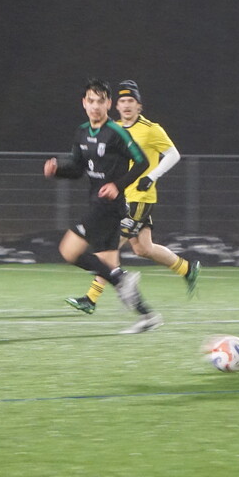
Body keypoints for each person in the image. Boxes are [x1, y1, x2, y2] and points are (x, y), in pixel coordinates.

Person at [64, 80, 199, 315]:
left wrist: (152, 176)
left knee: (110, 247)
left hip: (140, 199)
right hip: (120, 199)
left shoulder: (151, 129)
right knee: (143, 248)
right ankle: (186, 269)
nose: (127, 105)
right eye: (123, 101)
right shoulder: (113, 129)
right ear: (115, 105)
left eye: (131, 101)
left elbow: (173, 154)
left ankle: (91, 298)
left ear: (139, 106)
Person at [45, 78, 161, 334]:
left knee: (69, 250)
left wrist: (118, 185)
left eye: (100, 101)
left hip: (108, 207)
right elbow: (77, 169)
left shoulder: (116, 133)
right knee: (108, 267)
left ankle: (123, 279)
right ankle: (148, 316)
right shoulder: (81, 132)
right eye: (91, 101)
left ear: (109, 104)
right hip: (96, 203)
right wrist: (57, 171)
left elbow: (142, 162)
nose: (95, 106)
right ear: (84, 103)